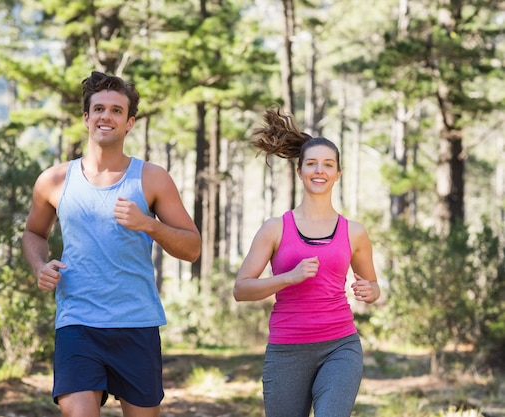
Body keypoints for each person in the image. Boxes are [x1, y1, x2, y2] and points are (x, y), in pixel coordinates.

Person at [22, 71, 201, 417]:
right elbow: (33, 234)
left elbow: (191, 248)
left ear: (130, 122)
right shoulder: (54, 180)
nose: (107, 116)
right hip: (77, 321)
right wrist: (40, 266)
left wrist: (147, 224)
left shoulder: (151, 178)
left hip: (135, 322)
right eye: (99, 109)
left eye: (117, 111)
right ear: (86, 117)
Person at [233, 106, 380, 417]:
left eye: (328, 165)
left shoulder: (354, 232)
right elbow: (241, 289)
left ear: (338, 173)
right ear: (299, 171)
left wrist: (371, 290)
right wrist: (288, 277)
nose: (319, 171)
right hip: (287, 349)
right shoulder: (275, 228)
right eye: (311, 164)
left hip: (340, 345)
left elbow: (373, 284)